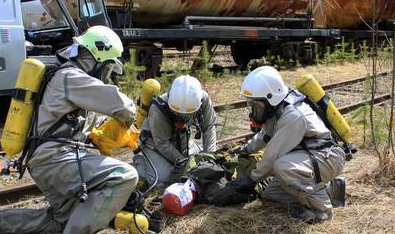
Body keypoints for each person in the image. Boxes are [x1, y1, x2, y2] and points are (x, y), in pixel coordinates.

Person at [0, 26, 138, 234]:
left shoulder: (68, 78)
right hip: (57, 158)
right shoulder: (71, 77)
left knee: (66, 218)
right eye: (109, 67)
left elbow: (93, 120)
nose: (108, 74)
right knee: (124, 175)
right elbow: (121, 105)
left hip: (46, 160)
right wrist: (135, 116)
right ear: (97, 57)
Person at [233, 66, 346, 223]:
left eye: (255, 104)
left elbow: (272, 155)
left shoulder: (292, 115)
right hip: (310, 156)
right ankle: (330, 189)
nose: (252, 109)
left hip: (327, 157)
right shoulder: (277, 108)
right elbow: (265, 136)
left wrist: (252, 179)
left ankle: (322, 210)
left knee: (281, 166)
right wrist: (244, 149)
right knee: (271, 193)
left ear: (270, 98)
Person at [133, 75, 217, 187]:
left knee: (200, 165)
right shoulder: (158, 110)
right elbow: (162, 143)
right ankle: (140, 161)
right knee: (163, 180)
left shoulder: (203, 99)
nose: (183, 116)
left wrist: (210, 157)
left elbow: (209, 127)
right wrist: (186, 164)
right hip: (155, 144)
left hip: (182, 140)